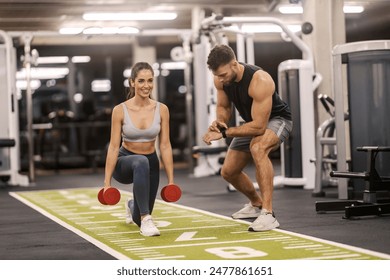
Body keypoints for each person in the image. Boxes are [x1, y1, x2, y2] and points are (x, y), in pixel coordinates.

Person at [202, 44, 292, 232]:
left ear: (234, 64)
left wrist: (225, 133)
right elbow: (224, 107)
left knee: (258, 148)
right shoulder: (220, 79)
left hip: (277, 120)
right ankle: (256, 203)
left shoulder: (260, 80)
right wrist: (220, 122)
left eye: (223, 75)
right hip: (252, 121)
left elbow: (259, 127)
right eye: (218, 76)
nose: (221, 80)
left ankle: (268, 214)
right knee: (228, 171)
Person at [104, 62, 175, 237]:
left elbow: (165, 145)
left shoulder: (162, 109)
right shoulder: (120, 110)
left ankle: (134, 209)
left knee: (136, 216)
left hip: (150, 162)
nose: (146, 85)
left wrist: (171, 181)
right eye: (141, 81)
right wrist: (107, 183)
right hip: (125, 162)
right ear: (132, 82)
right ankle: (146, 219)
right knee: (140, 161)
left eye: (150, 81)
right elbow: (113, 146)